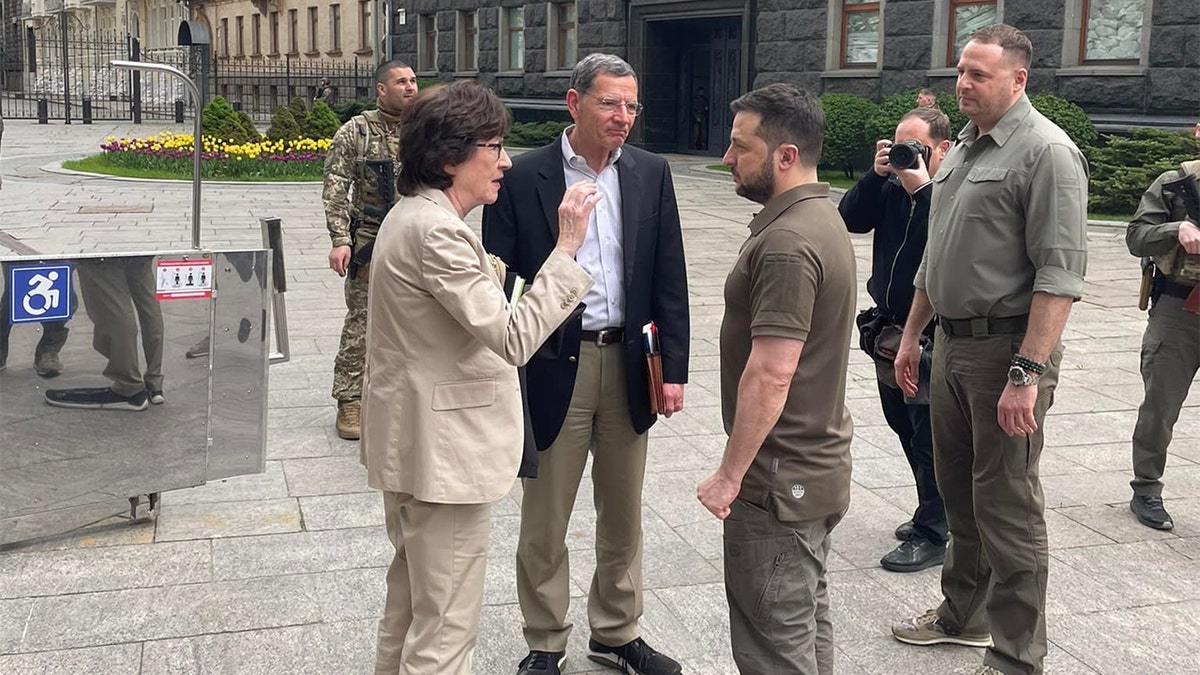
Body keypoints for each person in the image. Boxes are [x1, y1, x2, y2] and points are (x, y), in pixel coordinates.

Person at [360, 80, 600, 675]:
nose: (506, 162)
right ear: (450, 158)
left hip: (419, 449)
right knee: (444, 631)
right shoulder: (436, 230)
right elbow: (514, 337)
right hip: (442, 461)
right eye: (494, 146)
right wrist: (567, 249)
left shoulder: (415, 216)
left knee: (413, 605)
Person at [481, 53, 690, 675]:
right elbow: (497, 278)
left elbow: (669, 275)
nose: (622, 117)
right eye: (609, 103)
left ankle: (616, 632)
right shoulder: (524, 177)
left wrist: (673, 368)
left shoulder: (651, 172)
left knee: (623, 513)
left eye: (631, 105)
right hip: (552, 365)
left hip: (629, 362)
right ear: (575, 104)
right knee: (545, 517)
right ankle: (545, 641)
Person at [890, 24, 1088, 675]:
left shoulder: (1046, 154)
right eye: (962, 71)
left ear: (1019, 79)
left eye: (979, 74)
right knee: (958, 490)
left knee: (1007, 502)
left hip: (1007, 351)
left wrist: (1026, 374)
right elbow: (933, 258)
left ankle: (1016, 654)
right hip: (949, 345)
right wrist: (916, 334)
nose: (964, 84)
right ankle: (963, 613)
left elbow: (1058, 279)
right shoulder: (966, 149)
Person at [697, 83, 856, 675]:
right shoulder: (817, 216)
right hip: (809, 468)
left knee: (775, 644)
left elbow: (771, 372)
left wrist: (730, 475)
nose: (726, 158)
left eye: (740, 147)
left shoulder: (788, 241)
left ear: (785, 155)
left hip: (777, 478)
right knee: (803, 621)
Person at [837, 107, 953, 573]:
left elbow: (942, 240)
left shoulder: (948, 193)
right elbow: (850, 219)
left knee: (928, 435)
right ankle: (933, 510)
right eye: (897, 145)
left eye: (916, 147)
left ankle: (934, 531)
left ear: (942, 149)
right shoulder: (887, 187)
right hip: (887, 330)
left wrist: (921, 189)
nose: (905, 154)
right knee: (901, 425)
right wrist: (876, 172)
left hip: (929, 336)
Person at [323, 60, 418, 440]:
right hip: (371, 240)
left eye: (413, 81)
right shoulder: (355, 133)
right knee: (362, 321)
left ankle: (404, 396)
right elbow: (335, 188)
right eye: (401, 82)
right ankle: (349, 399)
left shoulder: (425, 130)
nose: (410, 87)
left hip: (417, 241)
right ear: (382, 89)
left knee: (417, 321)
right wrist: (340, 240)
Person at [1123, 129, 1200, 531]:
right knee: (1161, 405)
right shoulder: (1174, 185)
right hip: (1179, 310)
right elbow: (1135, 237)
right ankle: (1147, 489)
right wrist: (1176, 230)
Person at [0, 109, 70, 377]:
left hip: (54, 212)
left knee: (55, 284)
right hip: (14, 213)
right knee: (16, 289)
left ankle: (49, 349)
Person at [44, 257, 165, 411]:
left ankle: (128, 386)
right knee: (147, 300)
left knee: (113, 308)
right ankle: (154, 382)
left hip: (100, 253)